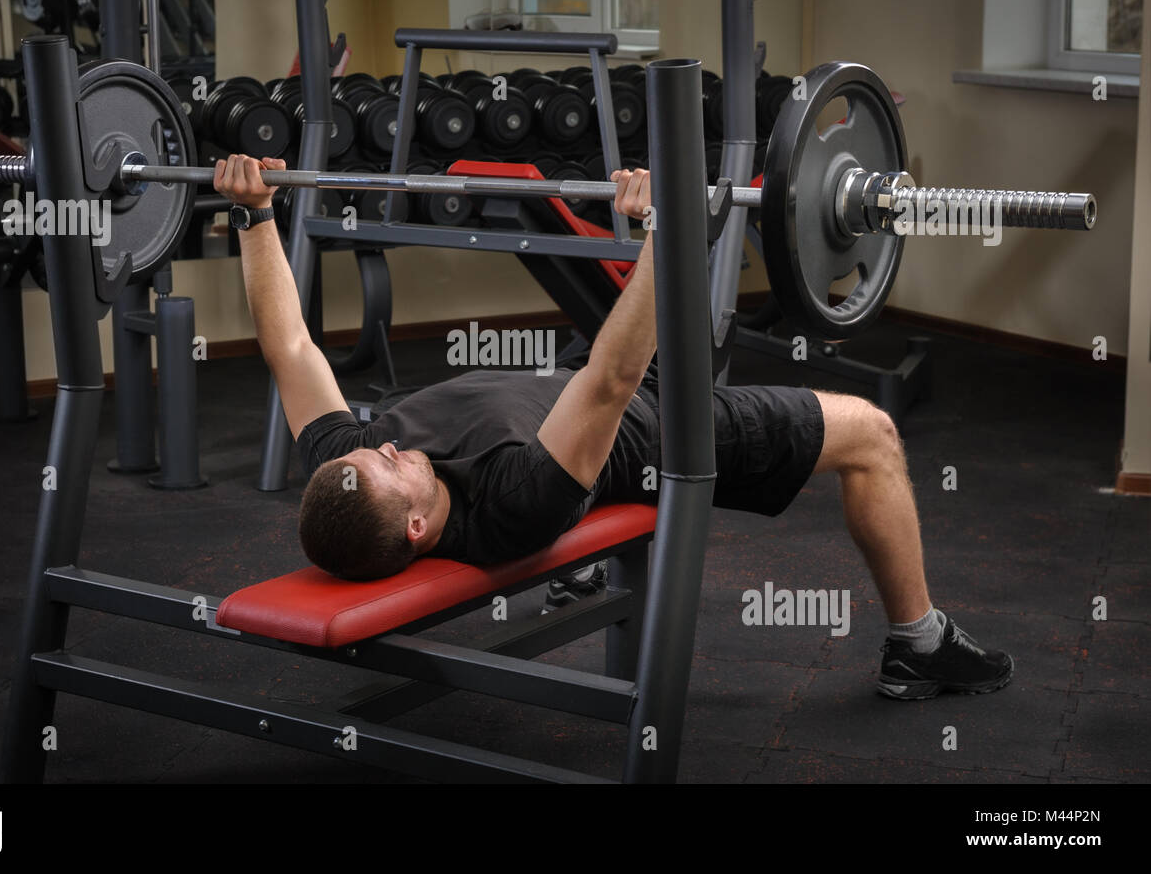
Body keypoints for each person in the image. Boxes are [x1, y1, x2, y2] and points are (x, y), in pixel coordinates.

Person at [216, 154, 1013, 701]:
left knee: (694, 327)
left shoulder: (347, 468)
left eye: (371, 450)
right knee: (871, 434)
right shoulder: (513, 501)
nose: (382, 444)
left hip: (568, 381)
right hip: (658, 426)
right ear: (419, 525)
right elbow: (615, 378)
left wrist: (253, 213)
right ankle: (919, 643)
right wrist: (667, 232)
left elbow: (287, 344)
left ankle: (587, 555)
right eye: (390, 465)